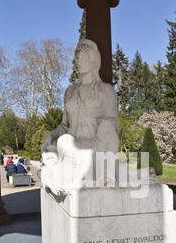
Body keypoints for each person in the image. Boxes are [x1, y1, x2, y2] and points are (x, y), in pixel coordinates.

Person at [41, 38, 119, 196]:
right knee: (58, 143)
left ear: (94, 61)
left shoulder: (106, 90)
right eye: (78, 58)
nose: (79, 61)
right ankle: (70, 177)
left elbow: (113, 123)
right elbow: (65, 125)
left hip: (96, 145)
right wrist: (54, 133)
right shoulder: (70, 91)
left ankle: (97, 175)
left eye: (84, 57)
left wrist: (105, 129)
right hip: (72, 144)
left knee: (74, 147)